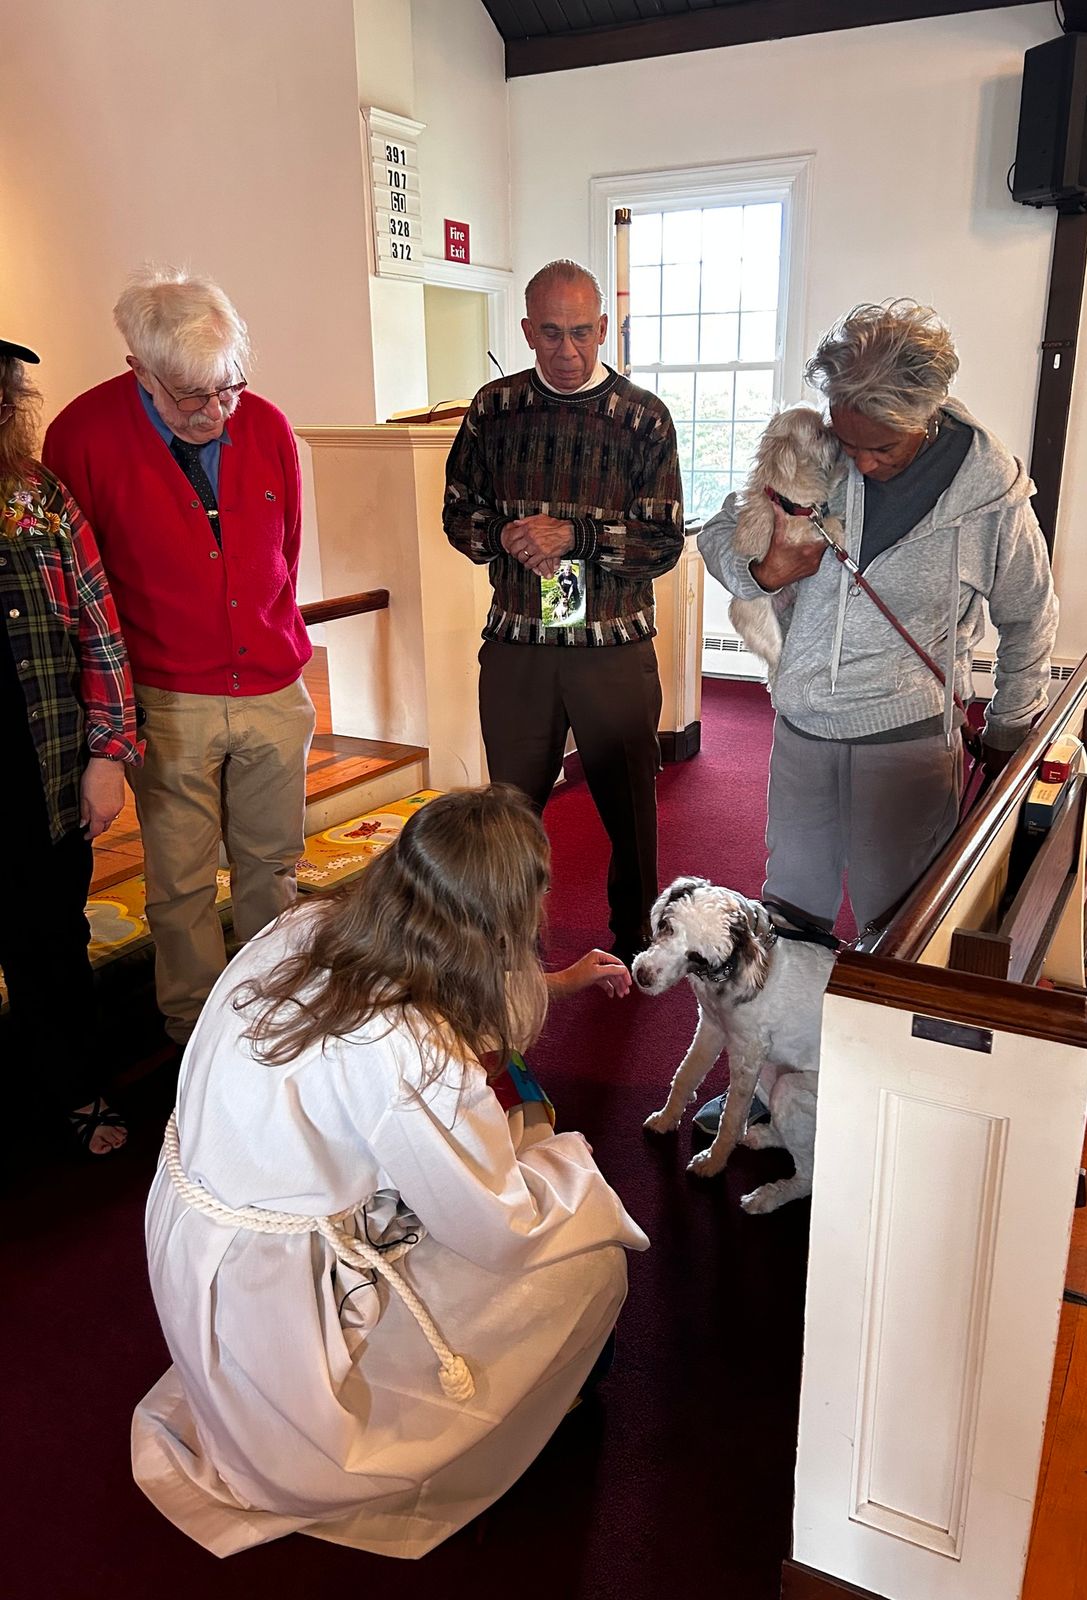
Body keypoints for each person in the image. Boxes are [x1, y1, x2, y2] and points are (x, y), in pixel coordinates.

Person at [132, 785, 647, 1559]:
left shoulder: (307, 922)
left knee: (505, 1138)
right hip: (274, 1294)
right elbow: (497, 1228)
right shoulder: (409, 1048)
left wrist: (556, 985)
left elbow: (443, 1002)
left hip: (197, 1240)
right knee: (589, 1260)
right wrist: (569, 1168)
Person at [700, 300, 1058, 940]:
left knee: (901, 929)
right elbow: (719, 530)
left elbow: (1030, 618)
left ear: (924, 419)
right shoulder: (816, 450)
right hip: (802, 724)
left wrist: (1009, 729)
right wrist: (762, 572)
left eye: (882, 447)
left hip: (908, 743)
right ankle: (788, 1040)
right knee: (788, 917)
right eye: (849, 441)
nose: (860, 464)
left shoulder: (990, 502)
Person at [43, 268, 315, 1048]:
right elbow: (79, 585)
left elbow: (283, 551)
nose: (215, 412)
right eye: (191, 396)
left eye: (226, 389)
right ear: (141, 372)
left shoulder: (263, 423)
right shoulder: (82, 435)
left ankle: (279, 1011)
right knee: (181, 882)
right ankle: (196, 1035)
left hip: (271, 682)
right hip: (165, 693)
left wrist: (269, 635)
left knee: (273, 866)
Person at [443, 260, 684, 966]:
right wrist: (504, 537)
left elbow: (664, 542)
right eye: (550, 334)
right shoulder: (494, 408)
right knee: (508, 814)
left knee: (630, 810)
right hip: (519, 644)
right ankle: (504, 944)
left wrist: (577, 536)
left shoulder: (644, 417)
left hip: (612, 646)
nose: (568, 352)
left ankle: (637, 937)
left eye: (582, 333)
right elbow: (460, 516)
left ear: (604, 328)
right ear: (526, 330)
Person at [0, 337, 141, 1153]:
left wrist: (106, 755)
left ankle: (78, 1087)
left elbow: (100, 631)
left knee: (53, 942)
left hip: (45, 765)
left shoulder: (40, 496)